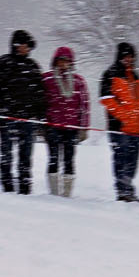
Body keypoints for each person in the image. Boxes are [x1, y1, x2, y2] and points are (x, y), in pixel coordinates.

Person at [0, 30, 46, 194]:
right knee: (6, 154)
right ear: (15, 45)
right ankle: (7, 186)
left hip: (28, 119)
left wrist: (40, 118)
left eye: (27, 46)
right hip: (6, 117)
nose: (25, 48)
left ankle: (25, 186)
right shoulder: (1, 63)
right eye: (22, 45)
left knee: (26, 155)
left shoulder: (33, 66)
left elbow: (40, 95)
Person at [99, 42, 139, 203]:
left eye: (131, 57)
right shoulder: (110, 74)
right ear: (119, 57)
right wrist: (125, 116)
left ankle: (128, 189)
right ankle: (122, 191)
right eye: (126, 56)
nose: (129, 59)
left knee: (133, 161)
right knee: (121, 159)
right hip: (119, 127)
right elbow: (107, 100)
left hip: (137, 128)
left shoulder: (136, 76)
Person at [41, 47, 91, 197]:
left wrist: (84, 127)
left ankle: (67, 194)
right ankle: (54, 192)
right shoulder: (46, 79)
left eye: (67, 61)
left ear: (71, 62)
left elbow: (84, 105)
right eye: (61, 60)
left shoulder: (78, 81)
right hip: (52, 126)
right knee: (53, 158)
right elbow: (40, 103)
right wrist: (41, 124)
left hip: (71, 127)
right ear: (55, 61)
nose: (64, 64)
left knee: (69, 159)